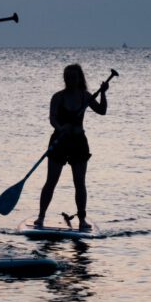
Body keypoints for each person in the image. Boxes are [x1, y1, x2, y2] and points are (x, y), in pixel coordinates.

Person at [33, 64, 109, 231]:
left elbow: (102, 111)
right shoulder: (57, 97)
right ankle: (40, 217)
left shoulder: (85, 96)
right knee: (51, 181)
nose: (70, 80)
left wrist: (103, 93)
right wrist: (60, 128)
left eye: (73, 77)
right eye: (67, 77)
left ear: (79, 79)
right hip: (59, 142)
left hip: (78, 143)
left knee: (79, 182)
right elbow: (52, 118)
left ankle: (82, 220)